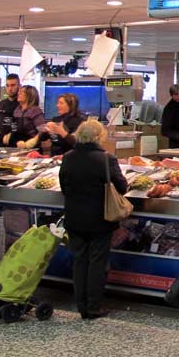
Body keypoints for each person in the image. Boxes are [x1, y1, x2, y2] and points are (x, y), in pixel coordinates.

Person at [59, 120, 128, 319]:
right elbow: (122, 187)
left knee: (79, 261)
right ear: (99, 136)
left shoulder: (68, 157)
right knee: (97, 262)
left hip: (74, 218)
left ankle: (81, 305)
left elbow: (64, 186)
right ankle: (94, 306)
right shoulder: (106, 159)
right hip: (100, 219)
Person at [0, 73, 20, 144]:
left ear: (19, 86)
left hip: (18, 144)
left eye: (13, 85)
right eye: (7, 85)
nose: (10, 89)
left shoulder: (23, 105)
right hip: (0, 144)